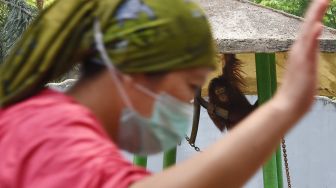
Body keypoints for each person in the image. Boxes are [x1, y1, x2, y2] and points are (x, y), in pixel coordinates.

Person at [0, 0, 329, 187]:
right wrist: (284, 107)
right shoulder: (51, 133)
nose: (184, 103)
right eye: (187, 86)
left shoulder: (41, 119)